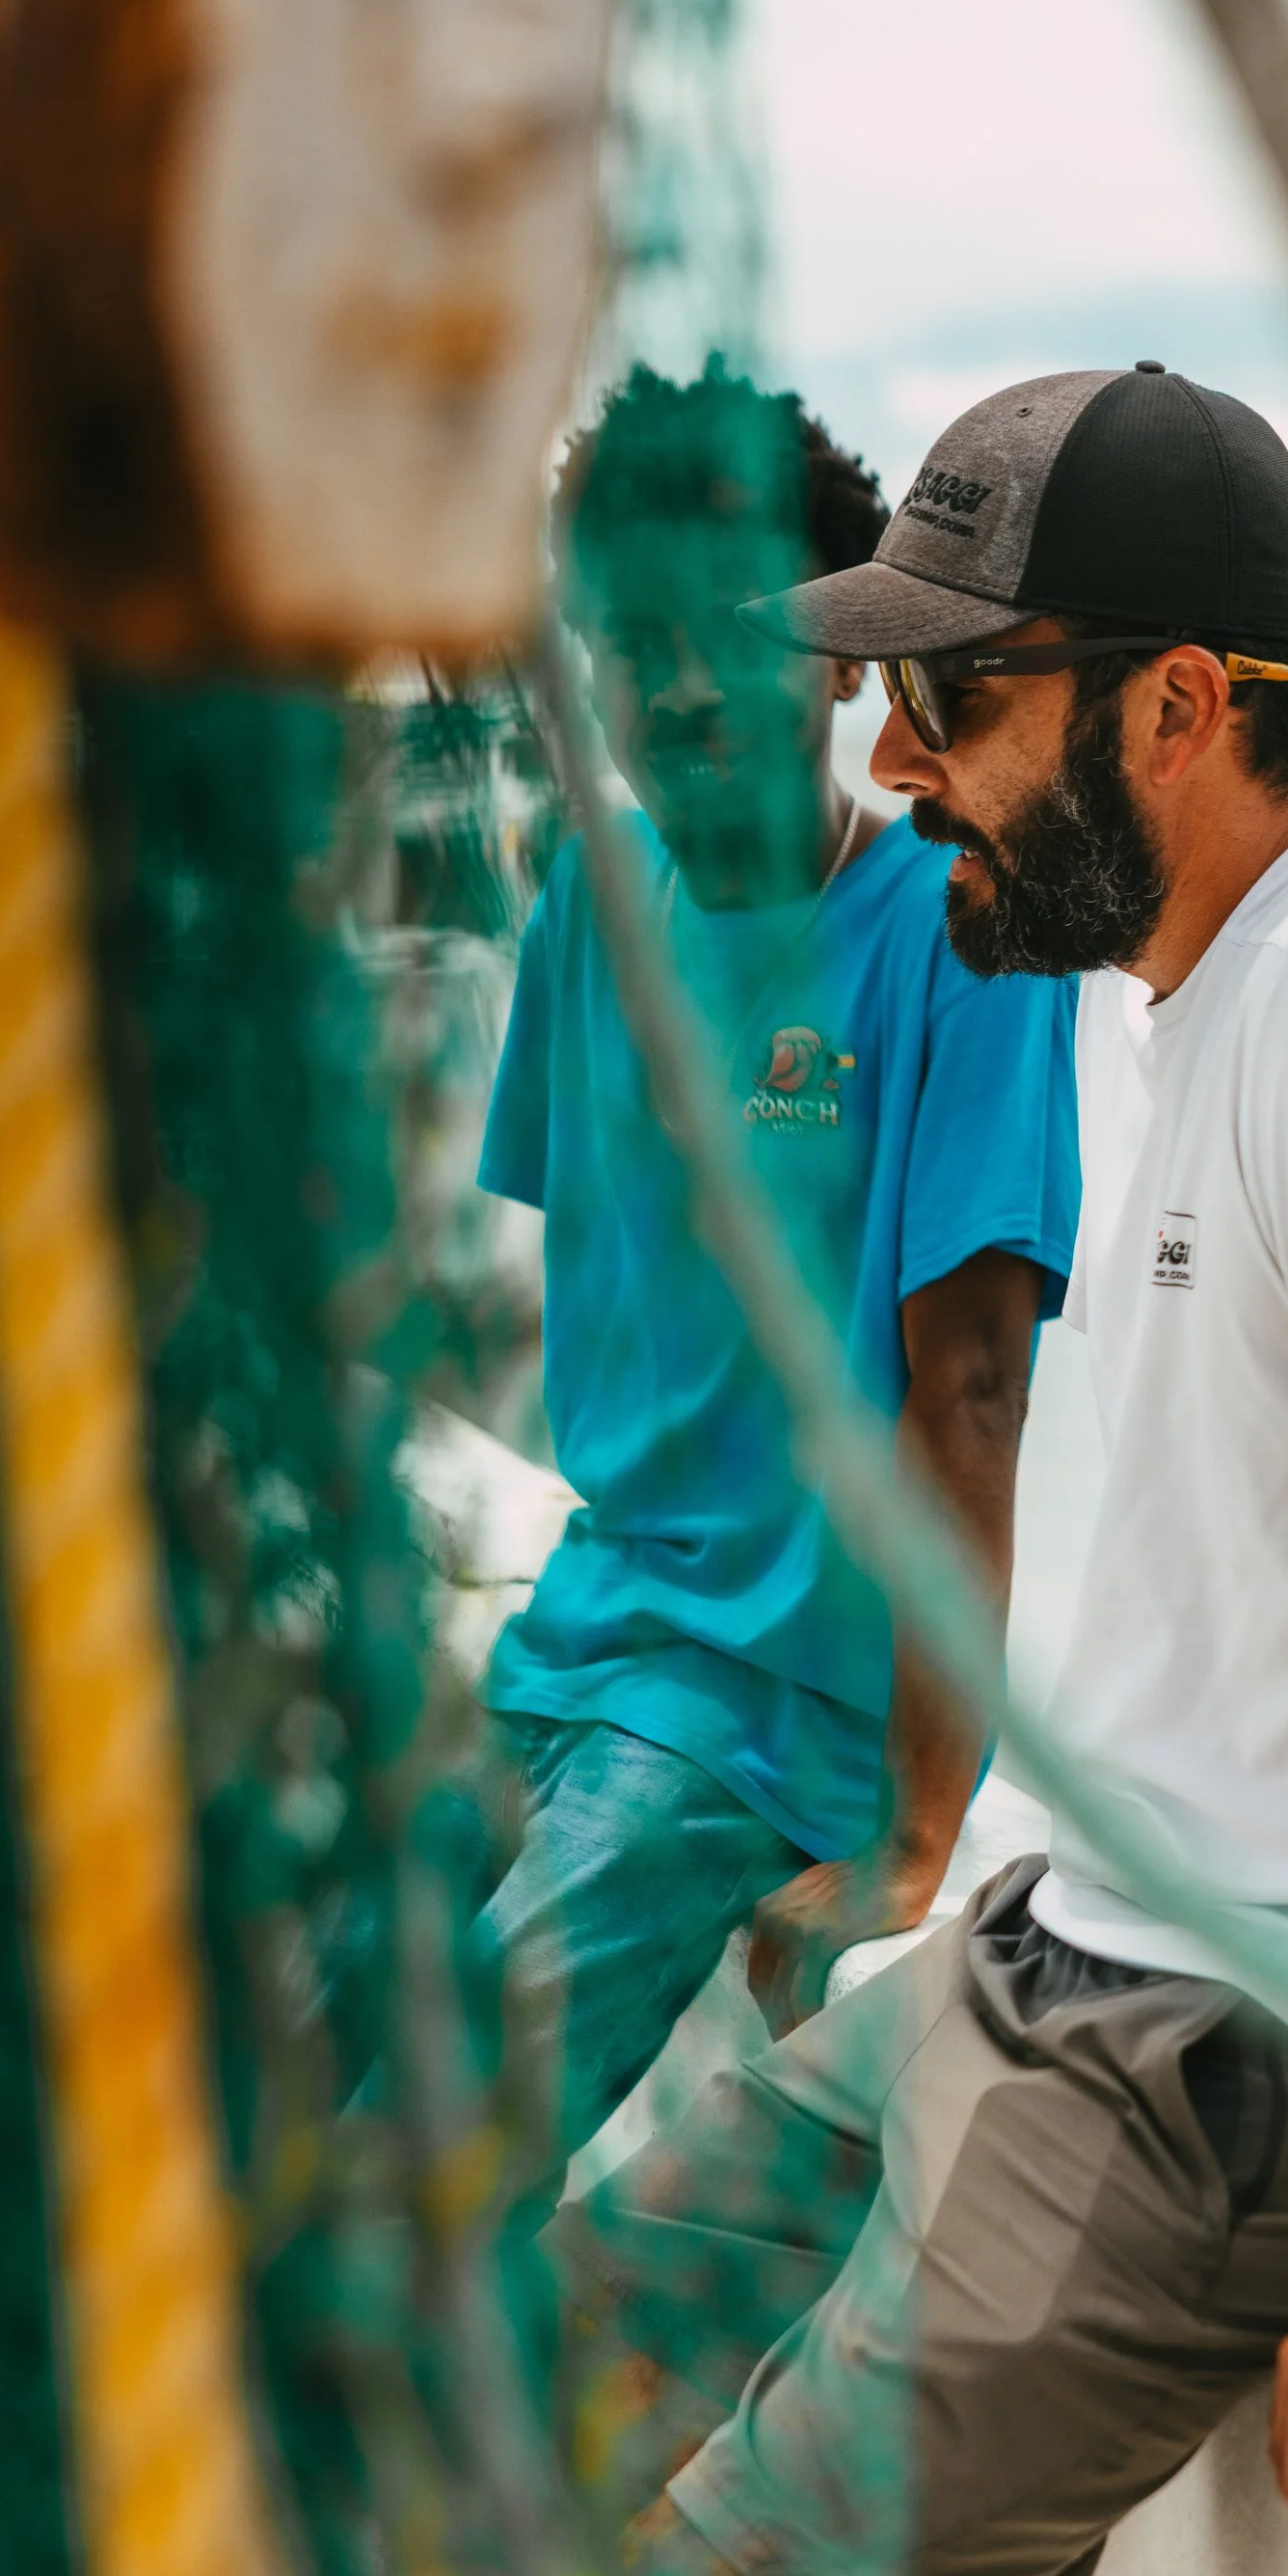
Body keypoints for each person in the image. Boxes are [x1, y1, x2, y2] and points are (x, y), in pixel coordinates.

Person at [559, 360, 1288, 2576]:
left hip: (1252, 2068)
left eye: (958, 700)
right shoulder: (1218, 989)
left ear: (1176, 706)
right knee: (530, 2351)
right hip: (1070, 1951)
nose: (894, 763)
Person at [471, 359, 1082, 2177]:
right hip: (573, 1645)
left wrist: (917, 1832)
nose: (673, 687)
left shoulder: (960, 930)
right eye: (626, 639)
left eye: (729, 630)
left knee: (425, 2141)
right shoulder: (588, 902)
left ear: (840, 661)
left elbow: (974, 1394)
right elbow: (611, 1320)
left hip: (765, 1716)